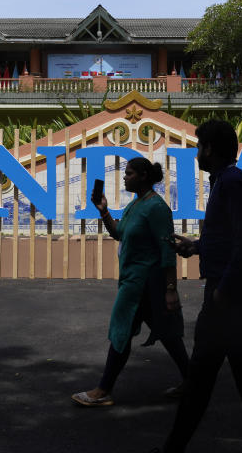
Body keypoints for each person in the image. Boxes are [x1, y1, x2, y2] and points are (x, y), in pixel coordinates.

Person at [153, 119, 242, 453]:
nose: (196, 153)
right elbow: (229, 239)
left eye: (198, 146)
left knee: (204, 375)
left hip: (228, 295)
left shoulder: (232, 182)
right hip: (229, 292)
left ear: (210, 148)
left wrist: (223, 290)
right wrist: (196, 246)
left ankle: (173, 449)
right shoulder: (226, 181)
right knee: (239, 374)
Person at [71, 157, 189, 407]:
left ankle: (103, 390)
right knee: (168, 335)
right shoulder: (135, 204)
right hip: (134, 281)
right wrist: (103, 210)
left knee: (121, 331)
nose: (125, 177)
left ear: (144, 176)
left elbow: (167, 250)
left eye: (130, 173)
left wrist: (170, 290)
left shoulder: (157, 208)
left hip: (146, 284)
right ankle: (194, 383)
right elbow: (119, 233)